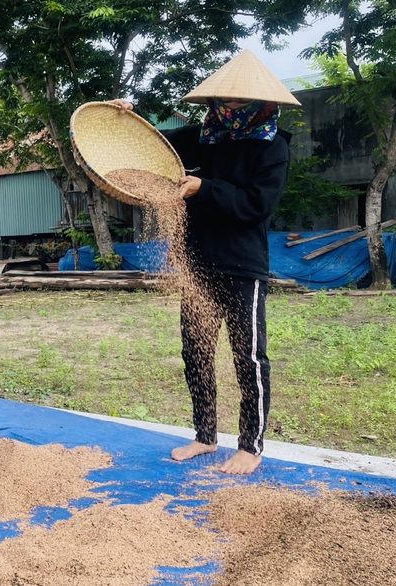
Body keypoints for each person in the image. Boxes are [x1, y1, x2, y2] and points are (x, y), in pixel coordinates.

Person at [108, 50, 300, 474]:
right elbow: (147, 149)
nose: (230, 107)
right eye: (224, 100)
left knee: (247, 357)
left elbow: (258, 205)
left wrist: (204, 189)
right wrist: (125, 117)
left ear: (260, 102)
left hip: (241, 266)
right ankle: (205, 436)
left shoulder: (272, 145)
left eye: (238, 101)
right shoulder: (197, 137)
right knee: (195, 352)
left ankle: (250, 446)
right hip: (195, 264)